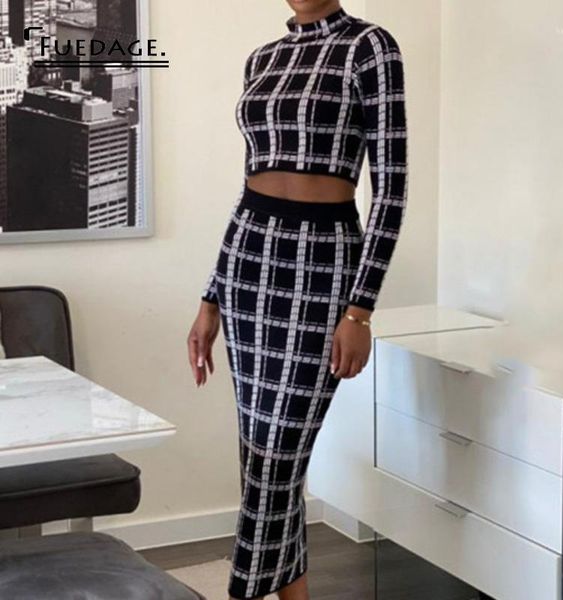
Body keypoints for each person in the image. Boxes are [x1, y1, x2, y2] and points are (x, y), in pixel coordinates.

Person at [187, 1, 408, 598]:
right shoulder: (263, 58)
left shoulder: (370, 47)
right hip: (250, 259)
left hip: (323, 261)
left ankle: (243, 591)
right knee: (260, 455)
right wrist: (211, 296)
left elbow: (391, 192)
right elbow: (247, 186)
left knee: (278, 455)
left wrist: (360, 309)